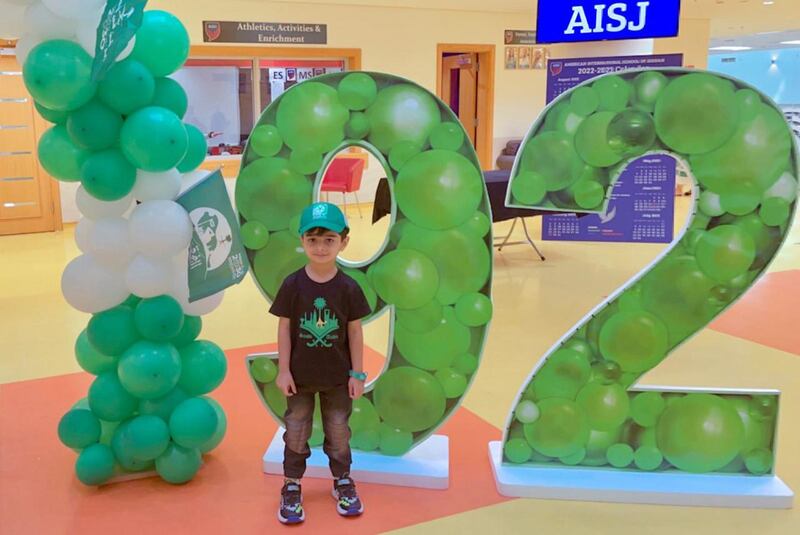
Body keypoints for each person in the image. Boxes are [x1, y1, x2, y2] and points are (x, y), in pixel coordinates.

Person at [269, 201, 372, 524]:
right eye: (312, 239)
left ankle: (342, 480)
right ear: (301, 242)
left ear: (344, 241)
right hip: (298, 378)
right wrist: (283, 369)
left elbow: (354, 333)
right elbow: (284, 327)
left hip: (338, 378)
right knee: (296, 431)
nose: (321, 247)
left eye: (329, 239)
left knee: (339, 432)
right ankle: (291, 484)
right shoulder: (292, 285)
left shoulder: (349, 288)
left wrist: (357, 372)